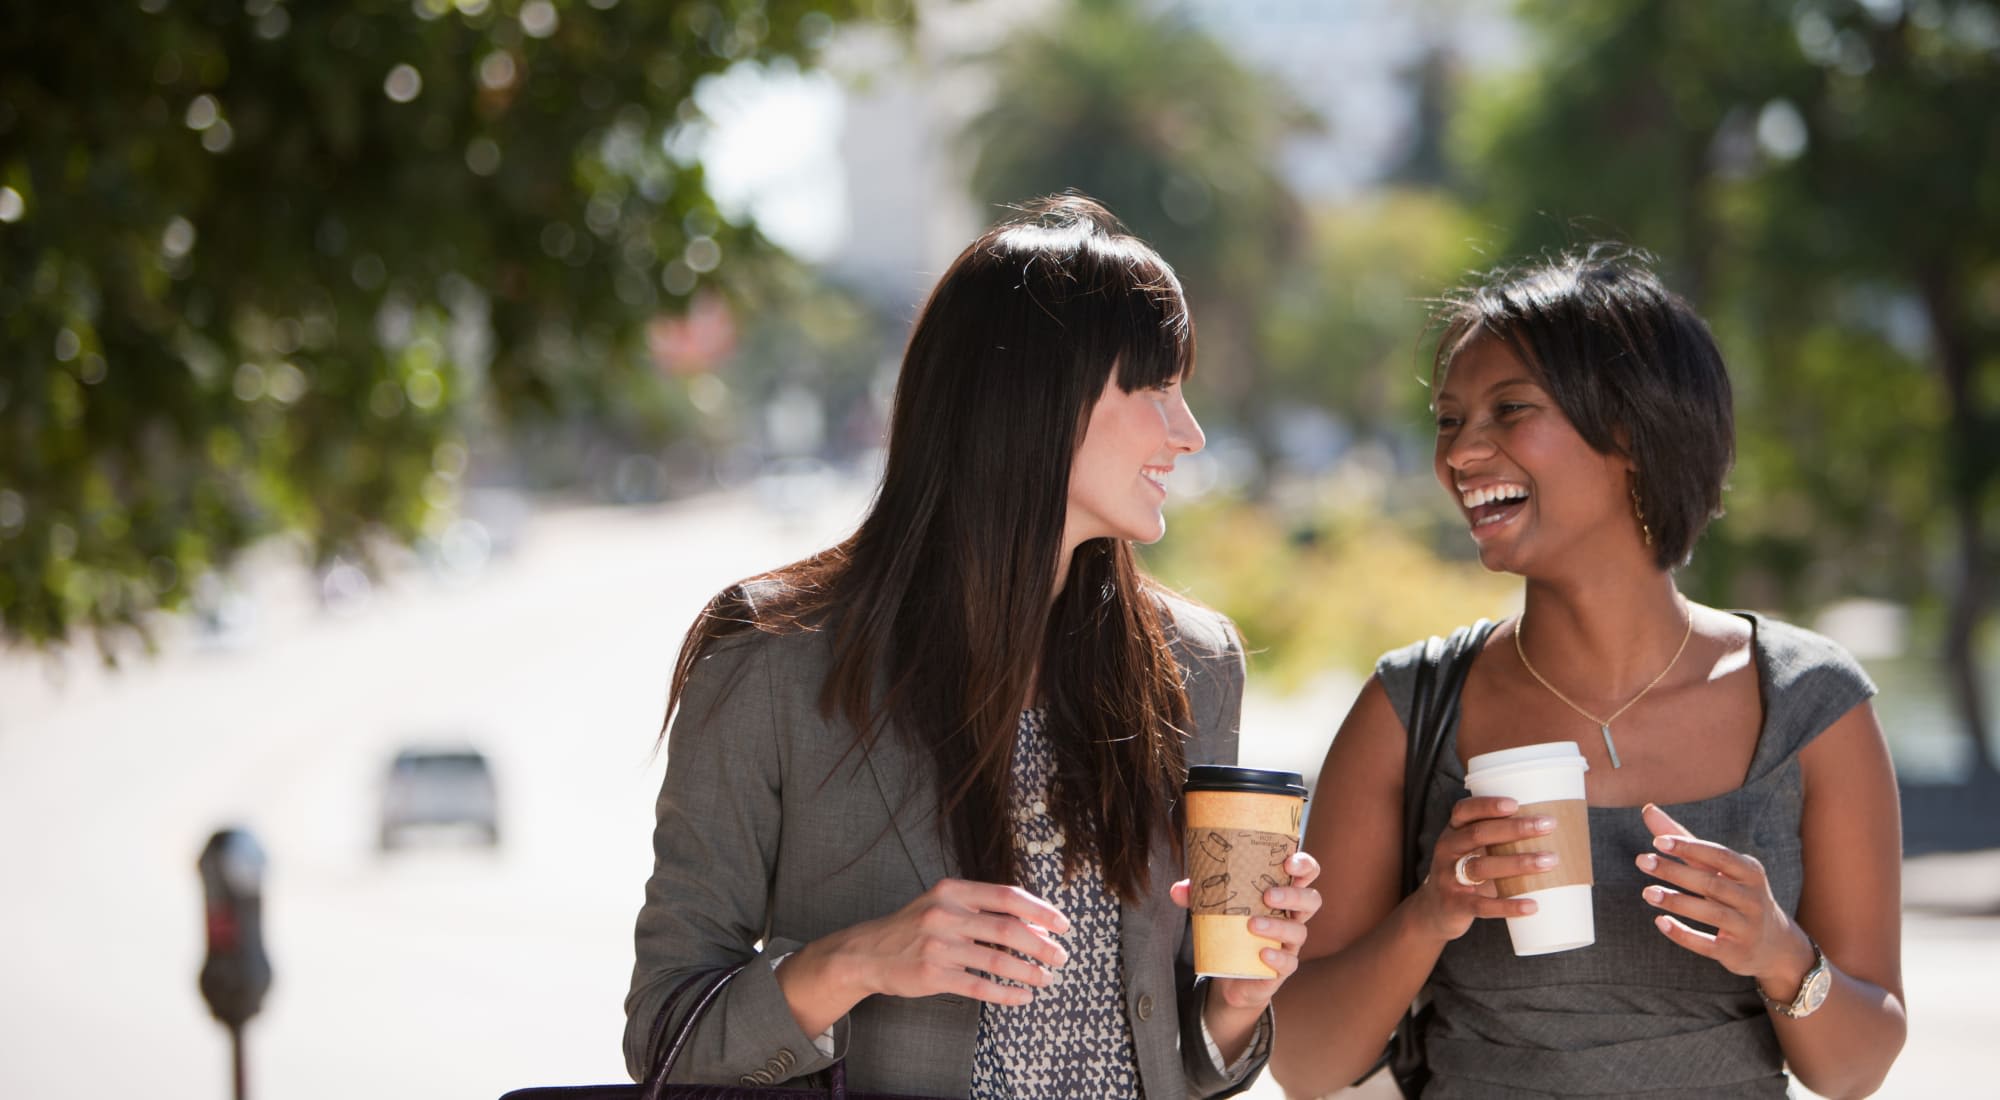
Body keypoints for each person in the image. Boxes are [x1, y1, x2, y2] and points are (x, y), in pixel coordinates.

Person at [626, 195, 1322, 1099]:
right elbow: (664, 1033)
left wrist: (1238, 1000)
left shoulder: (1195, 665)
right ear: (1034, 398)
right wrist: (855, 960)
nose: (1188, 433)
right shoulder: (770, 658)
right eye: (1153, 388)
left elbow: (1175, 1051)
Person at [1270, 248, 1906, 1099]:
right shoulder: (1409, 708)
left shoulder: (1808, 706)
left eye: (1510, 410)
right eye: (1450, 420)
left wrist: (1779, 954)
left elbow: (1857, 1070)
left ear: (1633, 436)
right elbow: (1303, 1065)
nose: (1462, 452)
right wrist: (1431, 913)